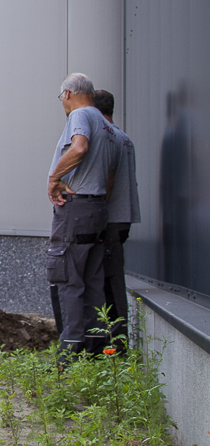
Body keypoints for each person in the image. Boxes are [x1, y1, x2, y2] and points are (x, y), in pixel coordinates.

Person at [47, 73, 115, 363]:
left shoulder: (80, 115)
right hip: (97, 208)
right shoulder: (106, 124)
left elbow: (79, 147)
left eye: (61, 96)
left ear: (69, 93)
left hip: (75, 211)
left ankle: (69, 352)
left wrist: (54, 177)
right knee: (93, 278)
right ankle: (98, 348)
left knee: (69, 277)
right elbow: (110, 173)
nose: (62, 101)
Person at [92, 87, 140, 348]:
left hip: (111, 219)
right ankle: (115, 341)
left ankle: (117, 344)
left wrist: (97, 213)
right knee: (112, 279)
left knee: (110, 282)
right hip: (123, 218)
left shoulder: (110, 137)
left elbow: (108, 180)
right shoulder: (124, 136)